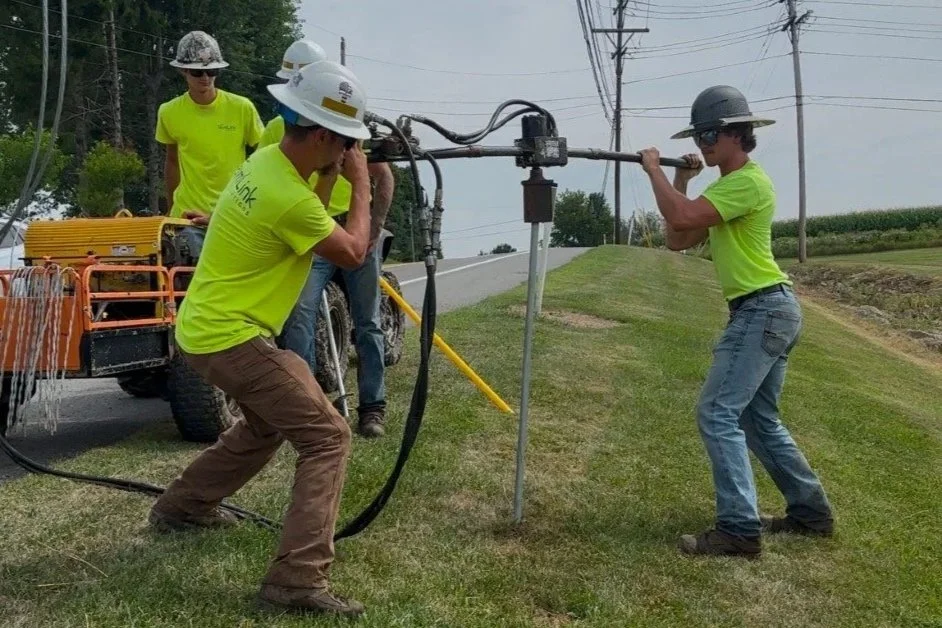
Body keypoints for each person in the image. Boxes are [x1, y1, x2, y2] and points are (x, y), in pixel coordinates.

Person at [148, 59, 374, 617]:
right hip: (231, 335)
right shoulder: (285, 195)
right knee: (327, 436)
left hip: (208, 327)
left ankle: (183, 506)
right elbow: (352, 250)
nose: (348, 152)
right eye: (345, 142)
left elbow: (307, 216)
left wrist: (332, 172)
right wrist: (363, 185)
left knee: (269, 422)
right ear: (322, 135)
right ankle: (296, 582)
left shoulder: (269, 164)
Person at [637, 85, 834, 559]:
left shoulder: (748, 183)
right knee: (756, 418)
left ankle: (739, 529)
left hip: (762, 308)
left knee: (717, 412)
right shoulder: (726, 189)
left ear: (738, 134)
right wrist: (680, 180)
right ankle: (810, 513)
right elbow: (679, 239)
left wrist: (653, 171)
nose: (703, 142)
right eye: (699, 134)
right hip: (767, 310)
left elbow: (680, 216)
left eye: (711, 133)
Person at [261, 40, 395, 439]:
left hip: (353, 228)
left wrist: (373, 228)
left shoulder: (348, 127)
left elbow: (383, 176)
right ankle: (312, 403)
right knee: (300, 314)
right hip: (313, 229)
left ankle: (373, 406)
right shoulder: (275, 130)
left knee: (368, 321)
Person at [156, 30, 264, 258]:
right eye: (198, 72)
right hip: (187, 218)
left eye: (212, 71)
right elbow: (172, 161)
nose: (205, 77)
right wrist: (171, 209)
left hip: (233, 214)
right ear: (183, 71)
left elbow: (265, 156)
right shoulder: (169, 112)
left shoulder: (241, 108)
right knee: (189, 285)